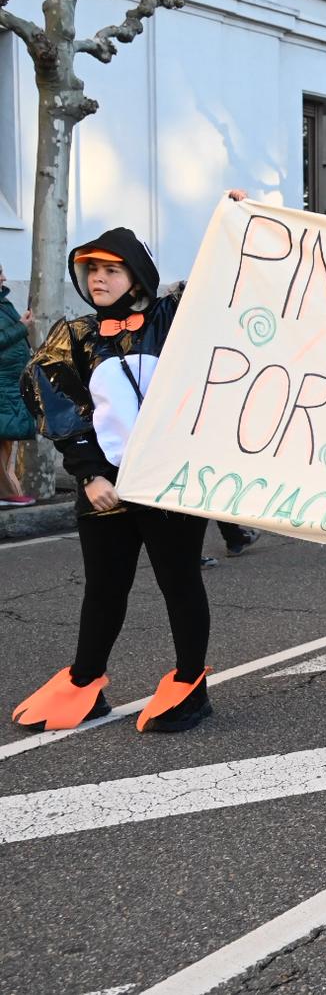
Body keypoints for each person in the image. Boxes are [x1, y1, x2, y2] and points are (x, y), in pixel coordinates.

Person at [12, 228, 213, 733]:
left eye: (112, 270)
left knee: (180, 583)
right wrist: (89, 474)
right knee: (103, 588)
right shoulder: (75, 335)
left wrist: (233, 215)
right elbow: (50, 394)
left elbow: (227, 280)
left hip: (170, 483)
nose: (98, 279)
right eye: (92, 271)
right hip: (105, 487)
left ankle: (190, 686)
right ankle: (84, 683)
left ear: (136, 276)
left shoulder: (173, 319)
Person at [0, 264, 37, 505]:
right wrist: (21, 327)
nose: (4, 276)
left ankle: (7, 492)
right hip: (3, 381)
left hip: (10, 380)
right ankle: (6, 494)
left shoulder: (4, 303)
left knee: (5, 438)